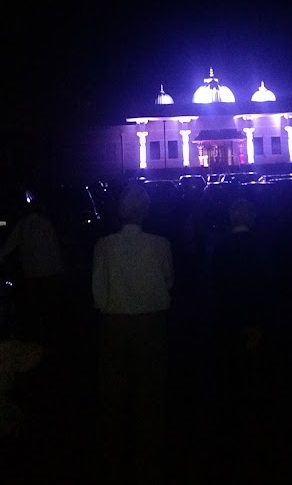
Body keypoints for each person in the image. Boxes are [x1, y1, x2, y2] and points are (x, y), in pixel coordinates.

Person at [92, 184, 174, 484]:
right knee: (150, 390)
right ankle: (148, 451)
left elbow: (98, 293)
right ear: (146, 211)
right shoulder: (160, 244)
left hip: (115, 324)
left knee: (115, 390)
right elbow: (168, 283)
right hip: (151, 324)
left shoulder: (105, 245)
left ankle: (115, 451)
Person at [212, 199, 266, 480]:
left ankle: (229, 431)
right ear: (252, 218)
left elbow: (214, 290)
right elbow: (266, 287)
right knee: (253, 379)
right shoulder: (262, 247)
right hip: (253, 324)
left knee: (229, 380)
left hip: (227, 325)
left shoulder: (219, 248)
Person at [0, 195, 65, 348]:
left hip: (32, 273)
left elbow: (10, 244)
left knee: (36, 306)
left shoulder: (22, 225)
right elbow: (53, 247)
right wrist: (60, 268)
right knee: (48, 305)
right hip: (48, 272)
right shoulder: (44, 223)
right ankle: (48, 337)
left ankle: (39, 336)